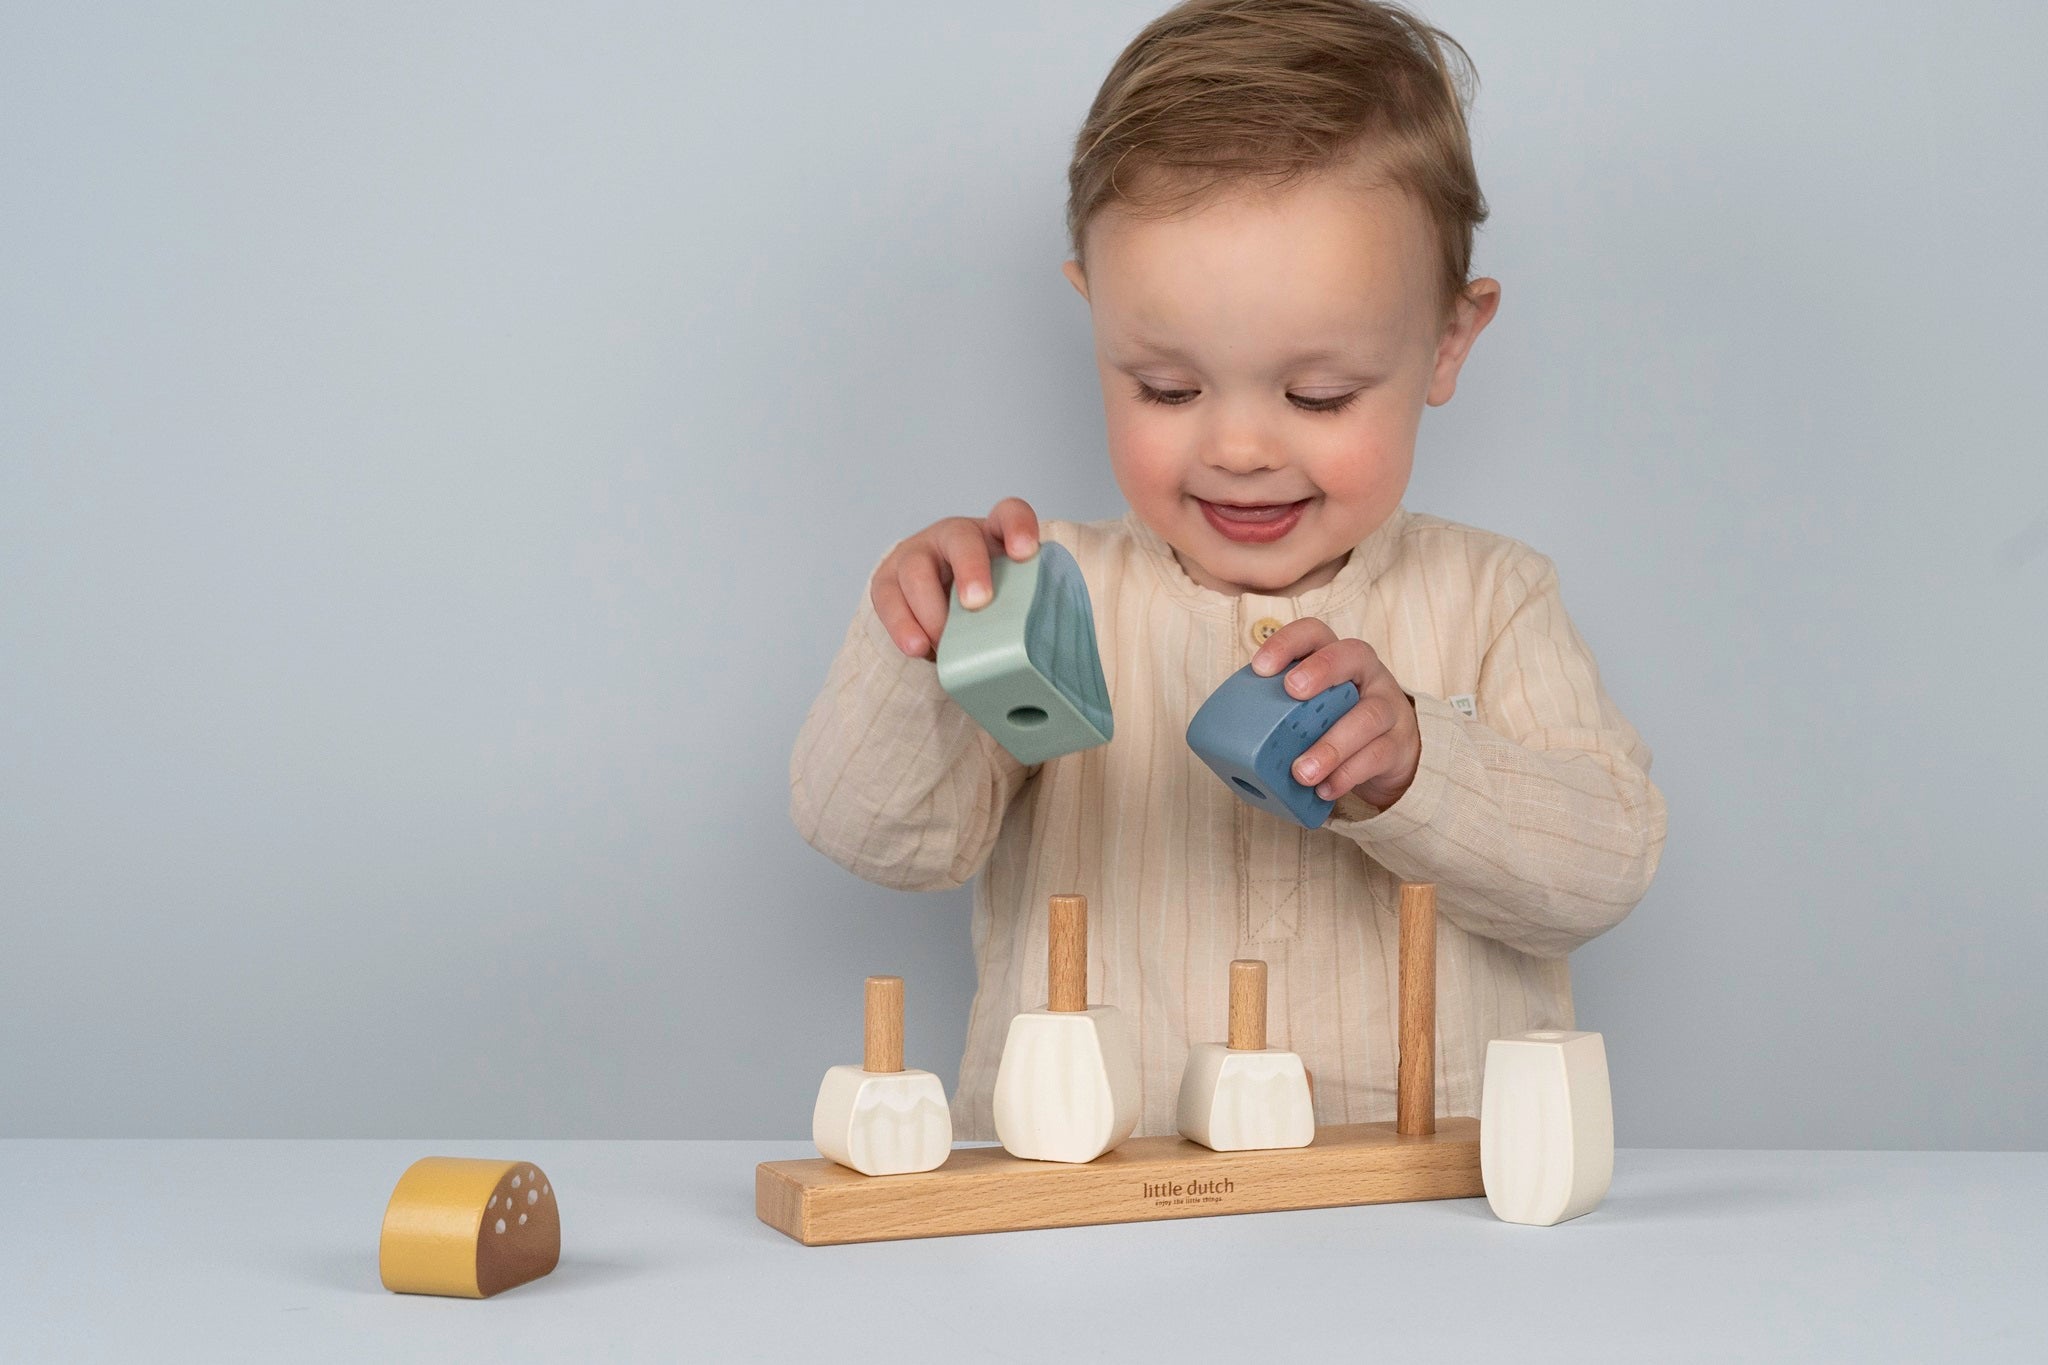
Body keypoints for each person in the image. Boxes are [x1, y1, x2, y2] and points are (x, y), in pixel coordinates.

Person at [790, 0, 1667, 1140]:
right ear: (1093, 317)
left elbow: (1600, 870)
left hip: (1414, 1210)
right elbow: (877, 839)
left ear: (1447, 341)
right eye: (1165, 388)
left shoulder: (1493, 598)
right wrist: (922, 647)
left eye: (1316, 396)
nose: (1239, 448)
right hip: (1090, 1206)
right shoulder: (1051, 594)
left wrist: (1418, 773)